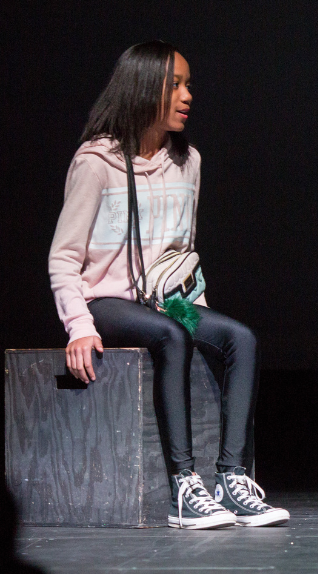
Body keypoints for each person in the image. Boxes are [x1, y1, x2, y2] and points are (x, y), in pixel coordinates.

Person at [48, 41, 288, 529]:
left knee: (239, 337)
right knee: (171, 335)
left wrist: (201, 312)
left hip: (167, 303)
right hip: (107, 300)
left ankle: (234, 478)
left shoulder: (189, 161)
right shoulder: (96, 163)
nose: (187, 95)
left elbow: (183, 252)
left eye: (188, 85)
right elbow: (64, 257)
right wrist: (78, 325)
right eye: (174, 85)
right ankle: (184, 485)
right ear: (142, 89)